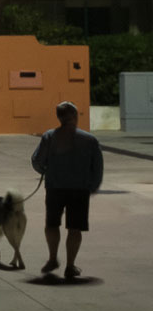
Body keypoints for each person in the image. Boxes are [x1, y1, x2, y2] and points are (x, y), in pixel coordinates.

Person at [31, 101, 104, 278]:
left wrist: (45, 171)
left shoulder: (49, 136)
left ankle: (52, 258)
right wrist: (93, 185)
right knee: (75, 228)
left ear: (59, 117)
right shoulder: (89, 139)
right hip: (79, 189)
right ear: (75, 116)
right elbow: (98, 167)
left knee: (52, 224)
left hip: (55, 187)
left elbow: (37, 161)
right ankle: (70, 265)